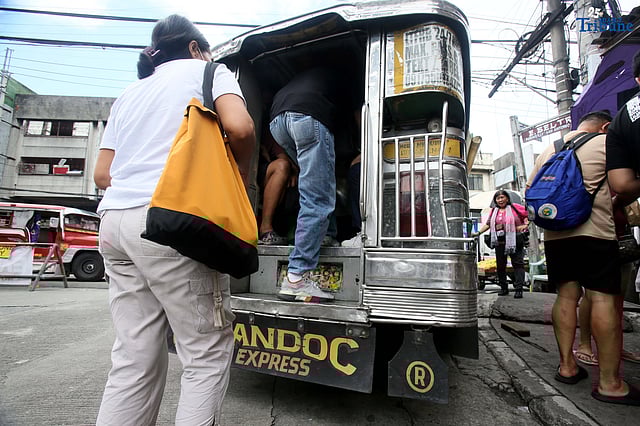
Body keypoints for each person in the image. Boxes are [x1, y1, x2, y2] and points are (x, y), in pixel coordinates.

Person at [93, 15, 255, 425]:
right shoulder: (211, 71)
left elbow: (101, 174)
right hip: (171, 223)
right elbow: (240, 128)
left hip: (114, 224)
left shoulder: (130, 93)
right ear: (196, 48)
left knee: (133, 358)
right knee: (205, 353)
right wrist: (237, 177)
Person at [528, 111, 640, 406]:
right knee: (602, 299)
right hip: (594, 233)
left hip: (555, 235)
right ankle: (610, 384)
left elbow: (530, 190)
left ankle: (567, 366)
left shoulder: (550, 148)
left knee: (566, 297)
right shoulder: (606, 142)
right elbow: (624, 184)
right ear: (606, 127)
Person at [269, 66, 356, 303]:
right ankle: (296, 277)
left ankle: (325, 235)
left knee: (316, 185)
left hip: (277, 121)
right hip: (307, 116)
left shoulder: (311, 78)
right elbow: (355, 121)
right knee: (318, 196)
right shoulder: (347, 78)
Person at [472, 190, 529, 298]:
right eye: (498, 198)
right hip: (500, 242)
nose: (500, 200)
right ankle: (503, 288)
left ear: (507, 198)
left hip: (515, 241)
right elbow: (488, 224)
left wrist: (525, 225)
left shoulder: (515, 207)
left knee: (518, 264)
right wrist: (478, 233)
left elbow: (530, 215)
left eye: (502, 197)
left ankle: (519, 289)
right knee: (500, 266)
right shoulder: (494, 211)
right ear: (495, 200)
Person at [257, 130, 297, 245]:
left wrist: (292, 170)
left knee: (283, 166)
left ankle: (268, 230)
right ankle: (265, 229)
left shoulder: (268, 129)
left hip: (258, 172)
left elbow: (282, 156)